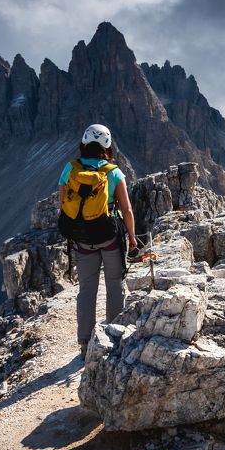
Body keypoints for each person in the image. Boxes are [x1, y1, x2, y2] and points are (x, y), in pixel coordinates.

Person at [58, 124, 137, 358]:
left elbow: (63, 205)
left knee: (86, 290)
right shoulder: (113, 172)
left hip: (82, 239)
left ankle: (85, 344)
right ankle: (112, 338)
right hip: (109, 238)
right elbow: (127, 209)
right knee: (114, 285)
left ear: (83, 143)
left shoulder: (70, 169)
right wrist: (132, 239)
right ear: (107, 146)